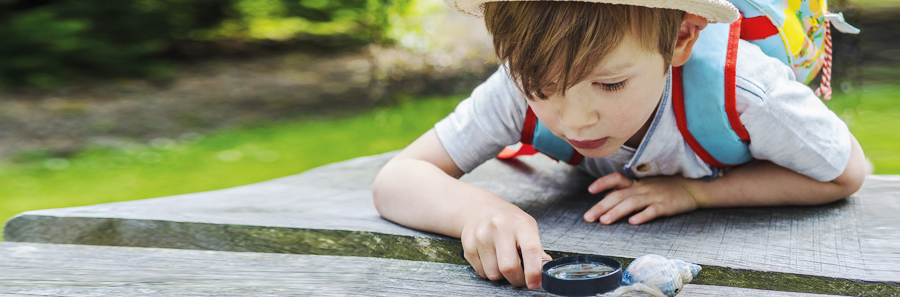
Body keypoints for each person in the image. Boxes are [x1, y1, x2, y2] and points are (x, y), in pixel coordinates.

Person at [371, 0, 867, 290]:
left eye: (609, 85)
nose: (575, 120)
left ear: (681, 37)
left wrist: (695, 194)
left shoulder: (745, 91)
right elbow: (398, 178)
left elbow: (846, 172)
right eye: (541, 90)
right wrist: (475, 210)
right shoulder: (512, 89)